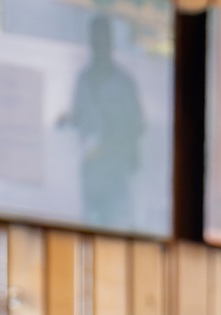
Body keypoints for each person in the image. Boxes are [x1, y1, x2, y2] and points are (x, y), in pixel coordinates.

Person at [58, 14, 145, 232]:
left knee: (117, 227)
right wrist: (66, 121)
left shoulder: (125, 84)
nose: (99, 43)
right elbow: (80, 116)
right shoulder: (83, 80)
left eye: (103, 37)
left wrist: (125, 146)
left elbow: (137, 124)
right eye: (95, 38)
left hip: (116, 169)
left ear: (110, 41)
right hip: (91, 168)